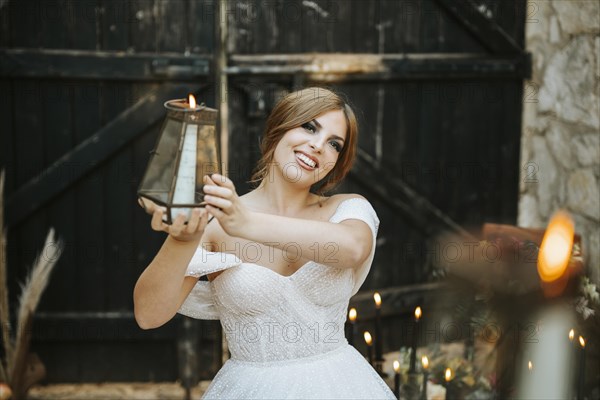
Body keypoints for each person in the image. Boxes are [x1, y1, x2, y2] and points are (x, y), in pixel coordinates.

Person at [134, 87, 395, 399]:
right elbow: (149, 315)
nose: (317, 145)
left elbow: (352, 249)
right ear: (278, 129)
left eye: (334, 144)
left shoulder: (347, 209)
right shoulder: (214, 226)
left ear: (337, 162)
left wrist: (244, 222)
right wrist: (182, 239)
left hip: (343, 385)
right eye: (309, 127)